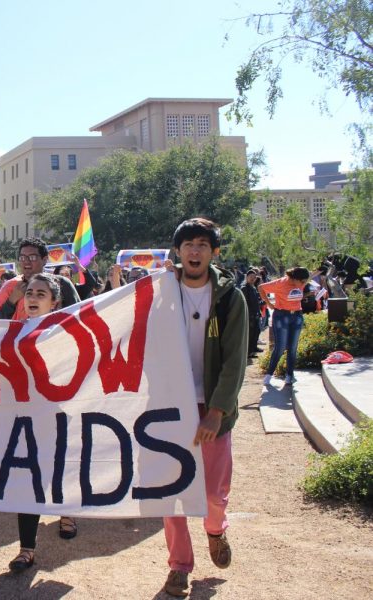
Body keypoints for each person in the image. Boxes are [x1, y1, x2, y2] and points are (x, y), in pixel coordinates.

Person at [161, 218, 247, 597]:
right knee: (171, 490)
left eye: (202, 244)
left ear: (213, 252)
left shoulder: (230, 298)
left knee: (213, 492)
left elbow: (235, 360)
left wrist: (217, 410)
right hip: (167, 407)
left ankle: (216, 529)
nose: (194, 251)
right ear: (177, 251)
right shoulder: (161, 292)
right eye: (188, 244)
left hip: (212, 406)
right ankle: (179, 565)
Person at [7, 273, 79, 573]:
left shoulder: (67, 332)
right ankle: (27, 549)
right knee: (27, 478)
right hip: (24, 415)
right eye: (30, 293)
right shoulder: (10, 331)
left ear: (55, 302)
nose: (33, 298)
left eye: (40, 294)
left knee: (59, 468)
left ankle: (66, 511)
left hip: (58, 413)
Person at [0, 238, 80, 320]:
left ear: (44, 260)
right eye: (22, 257)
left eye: (32, 257)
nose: (26, 261)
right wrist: (12, 300)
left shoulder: (62, 284)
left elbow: (78, 318)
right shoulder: (10, 287)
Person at [258, 267, 311, 386]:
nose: (303, 284)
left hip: (297, 316)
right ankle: (269, 374)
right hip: (282, 316)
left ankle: (289, 375)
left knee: (292, 348)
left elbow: (310, 278)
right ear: (295, 278)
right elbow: (261, 288)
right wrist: (268, 303)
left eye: (305, 282)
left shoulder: (301, 282)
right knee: (280, 347)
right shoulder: (281, 283)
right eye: (302, 282)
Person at [240, 269, 263, 355]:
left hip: (256, 314)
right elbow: (244, 303)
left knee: (256, 332)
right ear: (246, 277)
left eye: (254, 277)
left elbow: (256, 302)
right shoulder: (244, 288)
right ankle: (248, 352)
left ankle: (254, 348)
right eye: (251, 277)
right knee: (250, 334)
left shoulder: (253, 287)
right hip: (249, 316)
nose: (253, 279)